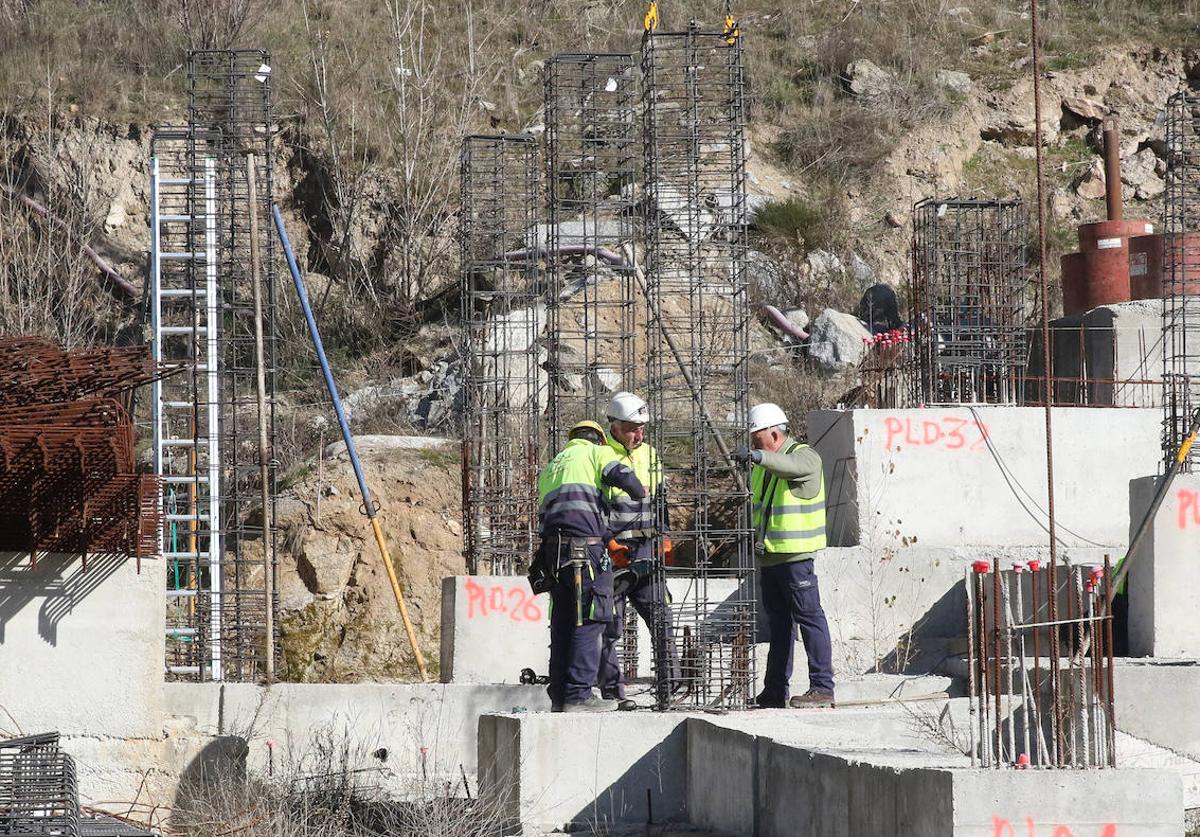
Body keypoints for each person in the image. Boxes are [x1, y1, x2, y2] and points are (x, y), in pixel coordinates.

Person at [537, 420, 645, 712]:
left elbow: (567, 512)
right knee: (592, 616)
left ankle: (560, 696)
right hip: (584, 552)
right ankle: (579, 695)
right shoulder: (595, 453)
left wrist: (608, 539)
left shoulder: (553, 467)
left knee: (563, 621)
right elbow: (621, 475)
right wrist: (639, 491)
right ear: (598, 439)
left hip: (553, 554)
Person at [732, 403, 835, 709]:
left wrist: (759, 457)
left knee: (810, 619)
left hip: (795, 560)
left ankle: (822, 687)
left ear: (775, 434)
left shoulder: (804, 455)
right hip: (771, 559)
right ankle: (774, 690)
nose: (753, 444)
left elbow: (794, 467)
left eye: (757, 438)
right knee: (779, 626)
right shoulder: (764, 469)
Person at [596, 392, 679, 710]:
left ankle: (669, 686)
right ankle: (612, 692)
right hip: (613, 553)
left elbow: (660, 500)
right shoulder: (601, 455)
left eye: (642, 428)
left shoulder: (650, 455)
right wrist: (607, 541)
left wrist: (665, 535)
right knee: (608, 624)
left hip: (646, 549)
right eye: (632, 428)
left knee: (660, 616)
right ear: (614, 426)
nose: (639, 435)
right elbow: (595, 507)